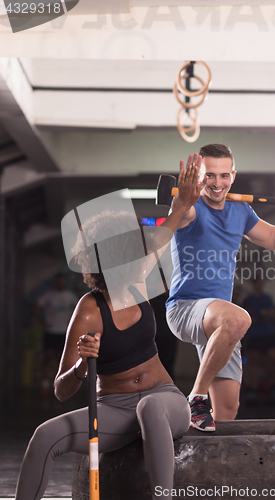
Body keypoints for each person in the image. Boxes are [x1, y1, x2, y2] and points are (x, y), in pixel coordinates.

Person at [15, 162, 201, 500]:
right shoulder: (90, 310)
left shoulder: (136, 280)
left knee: (150, 408)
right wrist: (82, 366)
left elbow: (163, 234)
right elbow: (60, 390)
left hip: (165, 401)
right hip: (114, 410)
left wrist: (181, 204)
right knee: (44, 435)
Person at [166, 143, 275, 431]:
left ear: (233, 176)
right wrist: (182, 201)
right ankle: (196, 398)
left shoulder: (241, 210)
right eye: (209, 176)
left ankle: (199, 464)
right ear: (197, 177)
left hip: (221, 321)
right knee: (239, 318)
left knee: (226, 409)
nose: (217, 183)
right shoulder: (191, 207)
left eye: (224, 176)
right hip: (185, 308)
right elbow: (178, 215)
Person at [33, 273, 78, 397]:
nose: (61, 283)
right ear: (55, 282)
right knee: (47, 358)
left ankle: (59, 387)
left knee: (61, 361)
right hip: (50, 332)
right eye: (59, 281)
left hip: (64, 333)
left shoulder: (70, 296)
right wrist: (42, 322)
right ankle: (45, 385)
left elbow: (78, 310)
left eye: (63, 281)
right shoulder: (48, 295)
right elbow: (35, 308)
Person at [242, 277, 275, 403]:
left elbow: (272, 313)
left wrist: (267, 316)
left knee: (273, 358)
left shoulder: (267, 298)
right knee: (254, 360)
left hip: (268, 333)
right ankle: (254, 388)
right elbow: (247, 315)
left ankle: (274, 384)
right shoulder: (248, 300)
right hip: (254, 334)